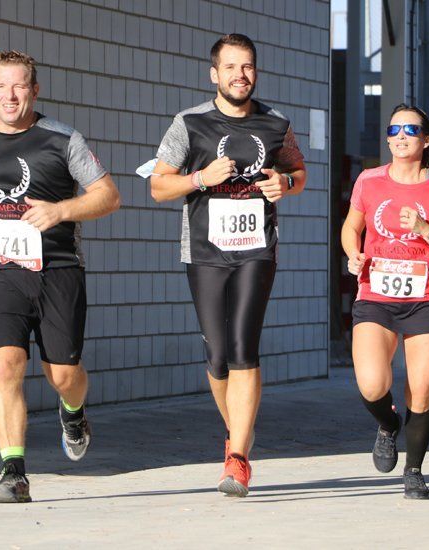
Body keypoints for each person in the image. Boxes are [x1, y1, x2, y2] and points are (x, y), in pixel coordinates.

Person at [0, 50, 120, 503]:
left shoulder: (62, 138)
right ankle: (13, 472)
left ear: (35, 89)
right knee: (5, 365)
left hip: (57, 270)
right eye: (0, 86)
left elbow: (109, 196)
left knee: (64, 373)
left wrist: (61, 210)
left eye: (19, 86)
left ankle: (73, 411)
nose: (10, 95)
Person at [149, 34, 306, 497]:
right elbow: (159, 186)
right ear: (214, 74)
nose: (242, 75)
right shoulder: (190, 123)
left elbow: (298, 171)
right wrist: (199, 177)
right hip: (204, 252)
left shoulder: (275, 122)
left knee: (243, 346)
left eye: (249, 66)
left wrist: (285, 183)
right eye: (232, 67)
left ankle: (238, 456)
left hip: (257, 248)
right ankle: (238, 428)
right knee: (217, 357)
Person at [341, 104, 429, 499]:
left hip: (424, 299)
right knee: (373, 384)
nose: (400, 136)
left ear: (426, 139)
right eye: (394, 129)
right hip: (375, 295)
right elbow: (351, 226)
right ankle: (388, 425)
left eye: (410, 129)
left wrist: (427, 229)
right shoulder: (369, 180)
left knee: (422, 387)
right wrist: (352, 253)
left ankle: (413, 469)